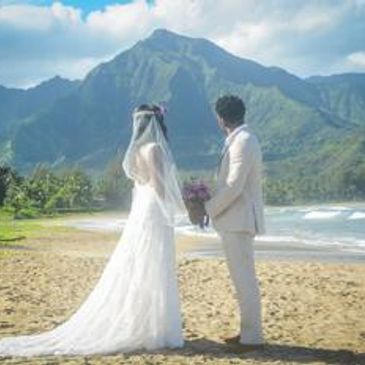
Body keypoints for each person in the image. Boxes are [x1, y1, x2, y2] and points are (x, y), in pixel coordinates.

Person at [0, 104, 186, 357]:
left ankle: (145, 325)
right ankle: (155, 327)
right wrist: (178, 207)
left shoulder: (135, 152)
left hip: (142, 210)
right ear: (157, 123)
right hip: (153, 210)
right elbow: (161, 187)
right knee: (154, 264)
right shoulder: (153, 149)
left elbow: (140, 186)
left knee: (143, 265)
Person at [204, 95, 266, 349]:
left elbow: (234, 186)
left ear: (221, 118)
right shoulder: (239, 140)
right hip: (234, 220)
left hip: (238, 221)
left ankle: (252, 337)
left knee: (244, 279)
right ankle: (248, 332)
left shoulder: (243, 141)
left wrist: (208, 208)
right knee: (242, 279)